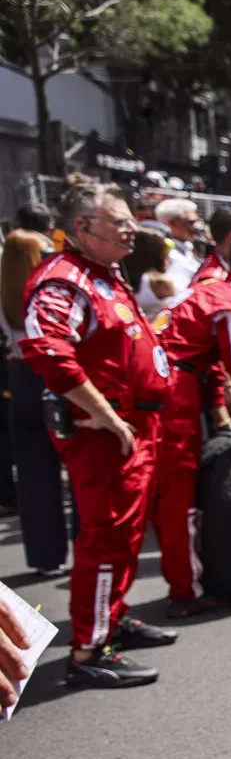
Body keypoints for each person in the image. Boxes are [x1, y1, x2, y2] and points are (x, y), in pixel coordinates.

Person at [19, 177, 183, 688]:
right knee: (107, 536)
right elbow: (47, 347)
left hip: (135, 426)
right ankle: (89, 650)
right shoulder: (65, 278)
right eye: (121, 220)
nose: (133, 227)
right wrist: (107, 416)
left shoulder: (106, 273)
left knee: (129, 533)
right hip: (107, 433)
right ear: (83, 226)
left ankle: (112, 620)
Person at [148, 233, 231, 616]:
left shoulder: (201, 288)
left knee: (160, 494)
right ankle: (185, 591)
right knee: (176, 496)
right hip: (171, 394)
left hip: (154, 385)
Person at [4, 203, 69, 571]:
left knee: (33, 472)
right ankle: (84, 549)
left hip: (20, 376)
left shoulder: (6, 289)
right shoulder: (49, 288)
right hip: (52, 375)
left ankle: (45, 557)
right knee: (77, 467)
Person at [153, 198, 202, 290]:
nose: (197, 226)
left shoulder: (190, 248)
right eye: (191, 222)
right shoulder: (163, 255)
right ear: (172, 223)